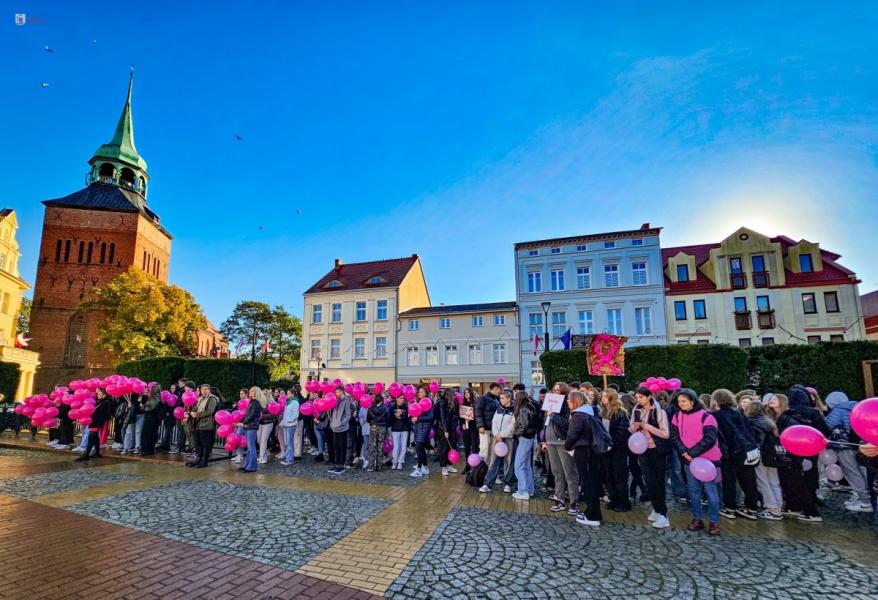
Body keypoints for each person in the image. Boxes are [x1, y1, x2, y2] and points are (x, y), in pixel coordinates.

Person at [670, 388, 722, 535]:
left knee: (711, 492)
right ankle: (697, 518)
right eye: (679, 401)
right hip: (689, 461)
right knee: (694, 491)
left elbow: (710, 439)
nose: (681, 404)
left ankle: (714, 521)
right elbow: (674, 436)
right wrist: (684, 453)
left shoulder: (707, 417)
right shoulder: (677, 416)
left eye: (684, 401)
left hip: (708, 461)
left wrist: (691, 453)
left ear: (692, 401)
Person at [777, 385, 830, 522]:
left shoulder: (788, 414)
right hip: (812, 451)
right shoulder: (814, 412)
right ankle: (809, 506)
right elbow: (824, 431)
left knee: (795, 480)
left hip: (794, 452)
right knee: (810, 478)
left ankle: (807, 510)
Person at [711, 388, 760, 520]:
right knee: (749, 481)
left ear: (716, 401)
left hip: (729, 452)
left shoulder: (716, 416)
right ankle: (752, 508)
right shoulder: (738, 413)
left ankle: (730, 508)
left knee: (729, 481)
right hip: (747, 450)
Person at [824, 391, 873, 513]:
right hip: (861, 444)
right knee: (861, 470)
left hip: (844, 446)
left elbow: (827, 425)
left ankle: (865, 501)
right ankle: (866, 497)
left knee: (851, 471)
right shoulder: (856, 406)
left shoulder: (838, 410)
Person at [629, 386, 671, 529]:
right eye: (637, 398)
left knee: (658, 481)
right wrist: (634, 427)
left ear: (649, 397)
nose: (638, 400)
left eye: (641, 397)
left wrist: (647, 426)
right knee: (649, 480)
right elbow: (630, 429)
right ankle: (656, 507)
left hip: (657, 450)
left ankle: (663, 513)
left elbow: (665, 434)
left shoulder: (659, 412)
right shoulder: (636, 410)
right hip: (642, 449)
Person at [564, 390, 602, 526]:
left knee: (588, 483)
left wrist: (567, 446)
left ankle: (593, 516)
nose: (567, 401)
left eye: (569, 399)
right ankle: (591, 512)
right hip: (589, 450)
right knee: (590, 482)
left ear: (575, 401)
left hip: (583, 450)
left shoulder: (579, 415)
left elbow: (572, 435)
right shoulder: (588, 412)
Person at [543, 382, 579, 514]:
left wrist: (552, 415)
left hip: (562, 441)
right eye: (554, 390)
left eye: (558, 390)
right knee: (556, 471)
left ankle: (574, 500)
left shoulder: (566, 405)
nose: (555, 392)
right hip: (550, 441)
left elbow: (566, 424)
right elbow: (545, 424)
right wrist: (543, 439)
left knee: (569, 472)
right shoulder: (549, 404)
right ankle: (559, 498)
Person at [745, 401, 784, 520]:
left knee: (762, 481)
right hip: (772, 455)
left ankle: (772, 508)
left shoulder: (752, 423)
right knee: (774, 481)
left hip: (761, 454)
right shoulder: (769, 422)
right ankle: (779, 505)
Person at [600, 388, 631, 512]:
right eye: (602, 396)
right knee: (608, 476)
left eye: (605, 396)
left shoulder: (620, 413)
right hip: (605, 450)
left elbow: (623, 432)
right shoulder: (602, 412)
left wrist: (611, 441)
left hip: (618, 450)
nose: (602, 398)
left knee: (619, 476)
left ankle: (623, 502)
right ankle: (614, 499)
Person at [479, 389, 515, 493]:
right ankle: (488, 484)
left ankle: (508, 483)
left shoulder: (513, 410)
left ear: (508, 399)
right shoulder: (498, 409)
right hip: (497, 438)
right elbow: (494, 422)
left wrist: (502, 435)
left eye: (503, 398)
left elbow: (512, 425)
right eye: (500, 398)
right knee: (493, 461)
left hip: (508, 438)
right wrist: (496, 434)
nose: (501, 400)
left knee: (509, 461)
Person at [512, 390, 538, 500]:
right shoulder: (531, 407)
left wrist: (515, 434)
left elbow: (523, 426)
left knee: (518, 465)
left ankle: (523, 491)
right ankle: (529, 490)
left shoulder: (523, 409)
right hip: (530, 437)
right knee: (526, 466)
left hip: (524, 438)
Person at [76, 388, 112, 461]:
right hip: (94, 421)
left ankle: (86, 454)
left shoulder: (105, 403)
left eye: (100, 394)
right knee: (95, 438)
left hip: (96, 422)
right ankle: (97, 452)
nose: (98, 395)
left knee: (91, 437)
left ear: (104, 395)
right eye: (98, 394)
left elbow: (103, 413)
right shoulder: (99, 401)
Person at [187, 384, 218, 468]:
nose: (203, 391)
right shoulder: (200, 399)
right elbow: (196, 408)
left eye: (205, 389)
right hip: (198, 424)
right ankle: (199, 459)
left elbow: (210, 411)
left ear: (209, 390)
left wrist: (197, 414)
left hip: (207, 424)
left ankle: (204, 461)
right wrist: (192, 412)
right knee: (198, 443)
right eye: (202, 389)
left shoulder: (212, 399)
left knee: (205, 444)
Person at [410, 385, 435, 478]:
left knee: (419, 446)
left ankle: (419, 469)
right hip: (418, 426)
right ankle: (425, 468)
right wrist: (413, 418)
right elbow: (416, 413)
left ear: (426, 393)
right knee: (420, 447)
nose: (420, 394)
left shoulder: (429, 401)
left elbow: (431, 417)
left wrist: (418, 418)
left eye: (422, 392)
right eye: (419, 392)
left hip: (425, 427)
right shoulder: (419, 401)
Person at [328, 386, 353, 475]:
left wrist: (341, 423)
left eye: (338, 392)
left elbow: (348, 415)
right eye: (336, 392)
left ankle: (341, 465)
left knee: (342, 447)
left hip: (342, 429)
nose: (336, 394)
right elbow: (332, 413)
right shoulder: (335, 400)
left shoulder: (346, 401)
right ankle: (337, 463)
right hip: (334, 428)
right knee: (336, 447)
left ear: (342, 392)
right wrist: (332, 422)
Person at [436, 388, 459, 477]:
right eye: (452, 394)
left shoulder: (455, 402)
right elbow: (442, 417)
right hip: (443, 428)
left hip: (451, 427)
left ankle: (449, 465)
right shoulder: (442, 402)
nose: (454, 396)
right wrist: (445, 430)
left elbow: (456, 414)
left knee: (452, 446)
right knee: (444, 448)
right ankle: (444, 467)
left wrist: (454, 424)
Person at [476, 383, 501, 464]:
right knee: (484, 449)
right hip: (485, 429)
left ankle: (489, 468)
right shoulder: (483, 399)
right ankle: (481, 469)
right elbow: (478, 412)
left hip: (494, 429)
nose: (500, 391)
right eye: (499, 389)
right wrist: (480, 426)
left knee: (492, 450)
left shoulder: (496, 400)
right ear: (495, 389)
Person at [240, 386, 263, 473]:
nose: (250, 392)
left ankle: (252, 467)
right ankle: (247, 465)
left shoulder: (256, 403)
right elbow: (246, 414)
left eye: (252, 391)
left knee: (251, 447)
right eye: (250, 391)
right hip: (248, 426)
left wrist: (243, 423)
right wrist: (241, 421)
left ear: (256, 393)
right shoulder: (252, 402)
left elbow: (252, 415)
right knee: (249, 447)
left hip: (252, 426)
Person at [459, 388, 479, 473]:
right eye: (465, 392)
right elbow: (461, 417)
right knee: (467, 448)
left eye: (468, 392)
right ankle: (467, 466)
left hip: (474, 428)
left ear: (471, 393)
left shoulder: (475, 403)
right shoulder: (463, 404)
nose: (466, 394)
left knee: (475, 447)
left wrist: (472, 418)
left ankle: (475, 466)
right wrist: (462, 424)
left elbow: (478, 416)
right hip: (466, 429)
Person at [366, 394, 388, 472]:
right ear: (382, 400)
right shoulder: (385, 408)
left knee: (372, 447)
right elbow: (387, 418)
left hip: (373, 427)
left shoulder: (370, 408)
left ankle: (371, 466)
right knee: (380, 447)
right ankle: (379, 466)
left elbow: (368, 419)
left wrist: (373, 423)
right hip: (382, 427)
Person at [139, 384, 162, 456]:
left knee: (146, 434)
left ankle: (146, 450)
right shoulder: (158, 398)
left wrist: (142, 406)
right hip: (154, 419)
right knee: (152, 434)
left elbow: (149, 409)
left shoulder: (154, 399)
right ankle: (150, 450)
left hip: (150, 419)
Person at [389, 394, 410, 470]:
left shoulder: (406, 407)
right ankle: (394, 461)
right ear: (397, 398)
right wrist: (395, 416)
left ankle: (400, 462)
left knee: (403, 447)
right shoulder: (392, 408)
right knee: (396, 447)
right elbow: (390, 419)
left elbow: (408, 419)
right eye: (400, 398)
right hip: (395, 429)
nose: (402, 400)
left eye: (403, 398)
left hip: (404, 429)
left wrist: (402, 415)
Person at [279, 390, 300, 466]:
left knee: (289, 442)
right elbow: (286, 414)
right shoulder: (288, 402)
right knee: (286, 442)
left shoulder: (295, 402)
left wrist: (289, 420)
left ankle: (290, 460)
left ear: (292, 394)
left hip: (291, 425)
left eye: (288, 393)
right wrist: (284, 421)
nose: (286, 394)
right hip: (286, 424)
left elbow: (296, 414)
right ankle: (288, 458)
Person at [257, 389, 275, 464]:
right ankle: (261, 455)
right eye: (262, 394)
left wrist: (262, 416)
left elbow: (272, 415)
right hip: (260, 423)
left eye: (265, 394)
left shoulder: (272, 403)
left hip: (268, 423)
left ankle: (263, 457)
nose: (263, 395)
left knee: (264, 440)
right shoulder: (260, 403)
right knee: (259, 440)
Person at [121, 390, 143, 455]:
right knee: (128, 432)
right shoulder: (127, 397)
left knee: (138, 432)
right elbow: (124, 407)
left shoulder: (143, 396)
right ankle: (125, 448)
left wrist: (141, 404)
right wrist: (129, 406)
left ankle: (137, 447)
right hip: (131, 416)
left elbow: (143, 407)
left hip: (140, 415)